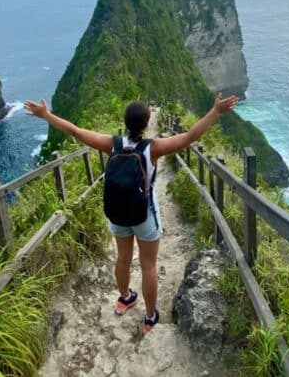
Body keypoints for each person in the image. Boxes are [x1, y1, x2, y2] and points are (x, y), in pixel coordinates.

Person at [23, 94, 238, 334]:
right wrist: (215, 112)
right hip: (144, 215)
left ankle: (125, 298)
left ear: (125, 123)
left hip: (117, 213)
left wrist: (46, 115)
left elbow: (75, 131)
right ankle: (149, 317)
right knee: (148, 266)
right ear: (146, 124)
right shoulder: (152, 149)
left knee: (123, 259)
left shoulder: (112, 144)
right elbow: (190, 137)